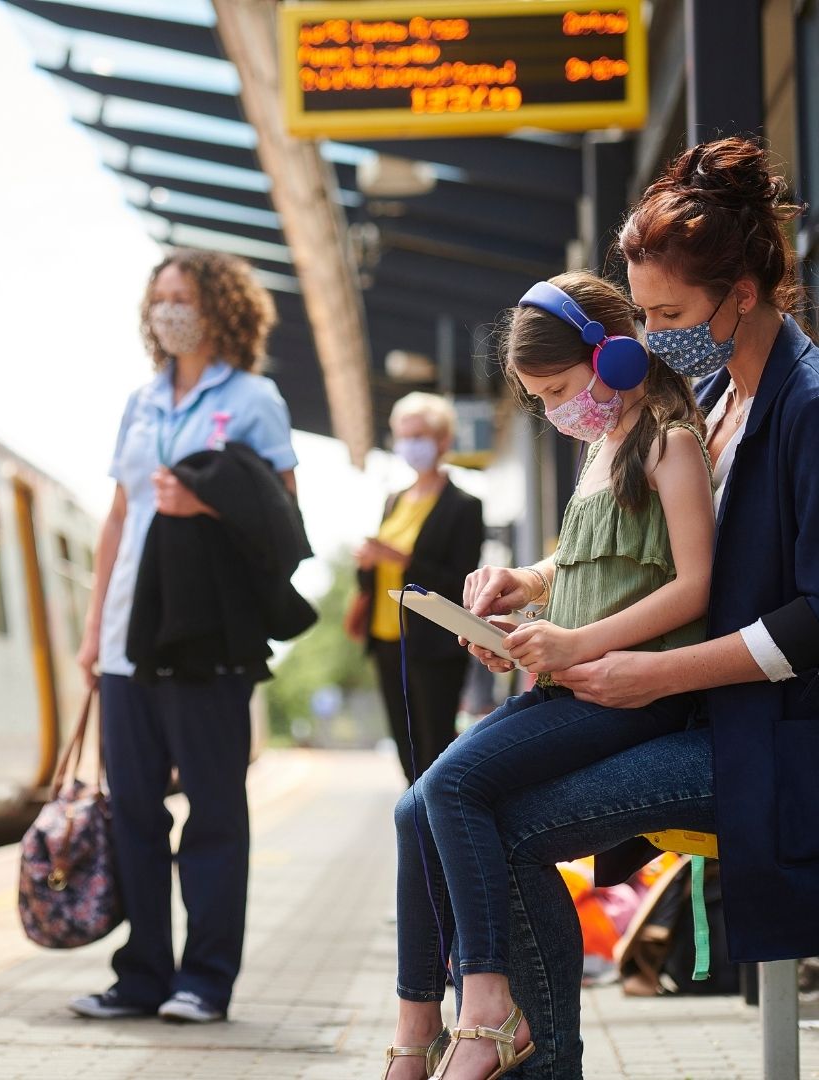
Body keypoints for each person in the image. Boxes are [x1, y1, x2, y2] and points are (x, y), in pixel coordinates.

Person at [461, 137, 819, 1079]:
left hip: (769, 735)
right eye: (643, 314)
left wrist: (648, 671)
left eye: (667, 313)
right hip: (703, 713)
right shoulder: (710, 392)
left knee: (502, 821)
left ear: (743, 291)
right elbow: (639, 550)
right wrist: (539, 586)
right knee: (481, 806)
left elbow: (817, 617)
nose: (649, 340)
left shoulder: (808, 405)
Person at [384, 269, 717, 1080]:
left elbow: (692, 585)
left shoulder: (671, 443)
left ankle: (489, 1005)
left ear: (617, 359)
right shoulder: (602, 450)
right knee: (410, 806)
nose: (555, 410)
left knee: (452, 790)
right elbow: (585, 558)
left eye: (559, 388)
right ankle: (416, 1026)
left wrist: (574, 644)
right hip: (575, 683)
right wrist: (526, 598)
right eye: (538, 399)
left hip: (636, 695)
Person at [71, 248, 302, 1025]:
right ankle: (140, 975)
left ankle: (205, 980)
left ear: (221, 309)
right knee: (133, 807)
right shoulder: (139, 402)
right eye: (160, 297)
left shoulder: (255, 398)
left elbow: (280, 517)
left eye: (185, 298)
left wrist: (205, 504)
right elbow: (117, 517)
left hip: (208, 635)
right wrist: (94, 629)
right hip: (131, 634)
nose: (170, 310)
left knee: (212, 810)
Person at [348, 392, 484, 785]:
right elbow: (374, 581)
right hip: (386, 640)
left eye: (420, 435)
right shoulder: (394, 500)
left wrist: (400, 559)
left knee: (434, 751)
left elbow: (460, 580)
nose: (410, 445)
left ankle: (438, 838)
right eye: (403, 436)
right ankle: (419, 834)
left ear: (443, 440)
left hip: (433, 645)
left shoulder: (463, 505)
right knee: (405, 752)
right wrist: (368, 564)